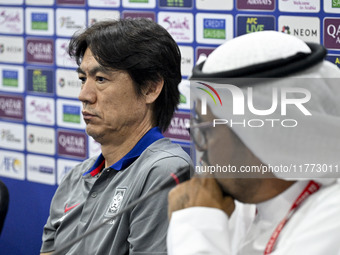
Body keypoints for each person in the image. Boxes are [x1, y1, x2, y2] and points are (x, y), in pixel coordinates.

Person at [167, 31, 340, 254]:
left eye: (206, 132)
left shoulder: (332, 218)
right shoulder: (240, 204)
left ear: (257, 138)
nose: (202, 151)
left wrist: (196, 225)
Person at [40, 18, 192, 255]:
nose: (84, 95)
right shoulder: (75, 178)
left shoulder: (164, 172)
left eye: (100, 79)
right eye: (83, 79)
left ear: (151, 88)